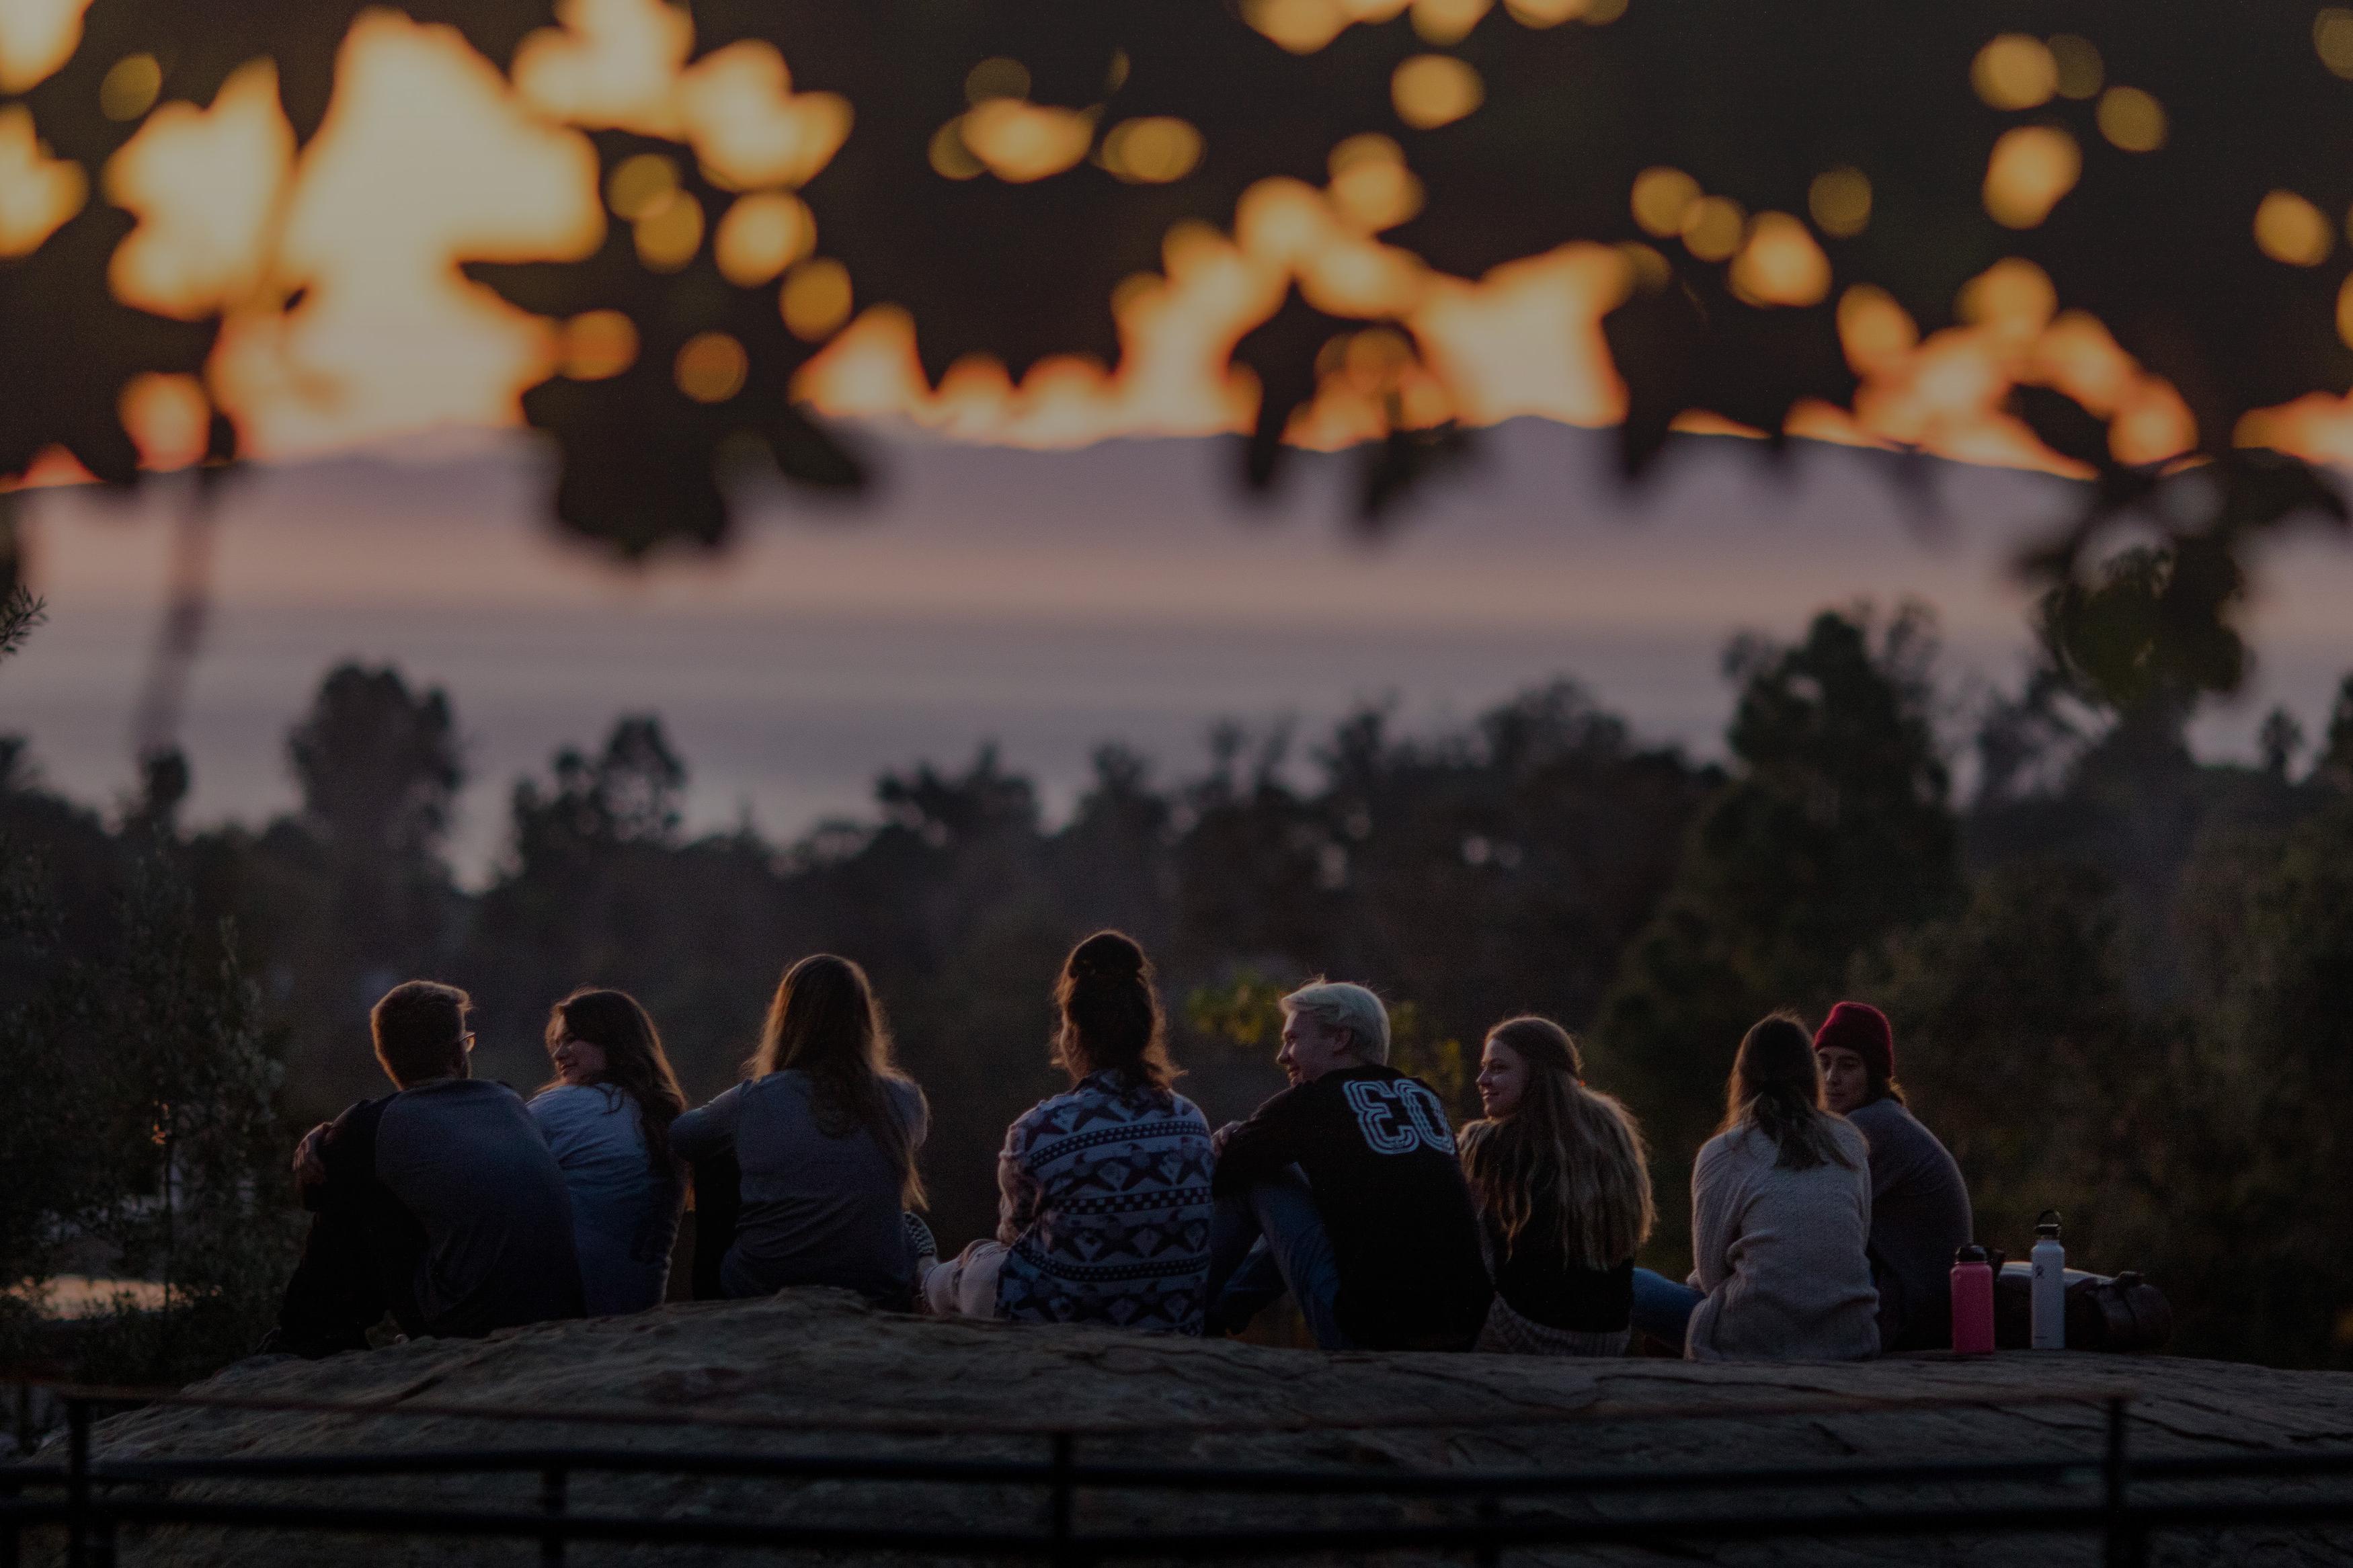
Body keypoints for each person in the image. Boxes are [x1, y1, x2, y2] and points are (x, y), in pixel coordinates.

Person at [922, 932, 1215, 1331]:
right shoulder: (1191, 1122)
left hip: (1058, 1329)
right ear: (1146, 1029)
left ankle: (923, 1281)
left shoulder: (1038, 1132)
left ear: (1072, 1032)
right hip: (1171, 1322)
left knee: (978, 1261)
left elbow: (1013, 1240)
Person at [273, 981, 584, 1356]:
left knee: (360, 1204)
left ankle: (305, 1338)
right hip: (560, 1310)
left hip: (469, 1325)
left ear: (385, 1055)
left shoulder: (374, 1126)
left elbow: (315, 1196)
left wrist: (328, 1136)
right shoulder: (507, 1099)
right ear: (456, 1055)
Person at [1203, 981, 1492, 1352]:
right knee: (1311, 1182)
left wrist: (1238, 1138)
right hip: (1465, 1332)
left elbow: (1218, 1176)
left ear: (1340, 1039)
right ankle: (1219, 1314)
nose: (1282, 1056)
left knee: (1261, 1176)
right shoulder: (1423, 1097)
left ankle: (1180, 1312)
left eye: (1292, 1039)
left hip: (1370, 1334)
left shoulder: (1312, 1102)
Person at [670, 954, 930, 1306]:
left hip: (760, 1286)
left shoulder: (754, 1099)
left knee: (718, 1157)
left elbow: (683, 1135)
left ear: (785, 1021)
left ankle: (714, 1303)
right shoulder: (903, 1098)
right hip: (880, 1287)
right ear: (863, 1021)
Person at [1685, 1012, 1880, 1362]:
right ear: (1811, 1076)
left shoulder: (1723, 1152)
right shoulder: (1848, 1141)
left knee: (1637, 1284)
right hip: (1850, 1340)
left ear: (1742, 1078)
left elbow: (1712, 1275)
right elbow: (1857, 1242)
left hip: (1753, 1340)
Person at [1458, 1017, 1653, 1356]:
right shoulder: (1610, 1130)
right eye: (1484, 1068)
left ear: (1537, 1075)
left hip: (1526, 1331)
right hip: (1608, 1337)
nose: (1482, 1080)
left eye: (1498, 1068)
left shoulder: (1486, 1143)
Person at [1812, 999, 1973, 1352]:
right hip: (1912, 1307)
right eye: (1822, 1063)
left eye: (1848, 1065)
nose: (1831, 1079)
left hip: (1910, 1316)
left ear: (1874, 1074)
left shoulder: (1872, 1128)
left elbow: (1805, 1218)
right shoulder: (1881, 1119)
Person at [526, 988, 689, 1316]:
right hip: (642, 1299)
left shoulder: (562, 1106)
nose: (559, 1054)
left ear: (612, 1040)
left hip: (573, 1302)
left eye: (571, 1040)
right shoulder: (666, 1113)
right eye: (557, 1043)